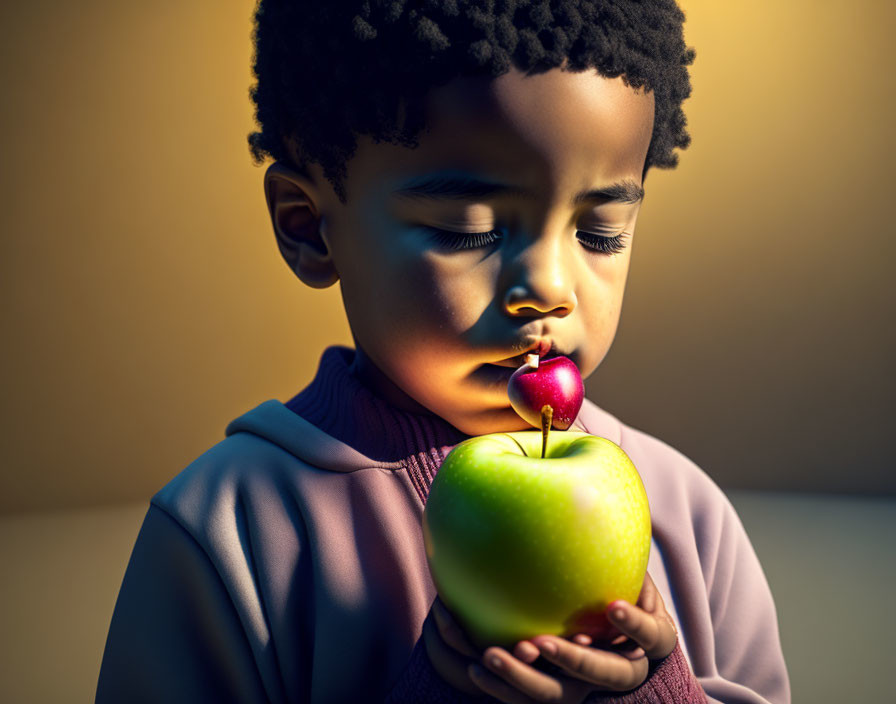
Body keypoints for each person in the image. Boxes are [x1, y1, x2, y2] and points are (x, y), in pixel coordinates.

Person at [96, 2, 790, 702]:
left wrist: (656, 693)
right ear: (307, 226)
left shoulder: (685, 513)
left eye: (602, 232)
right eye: (468, 230)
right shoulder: (230, 532)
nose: (548, 289)